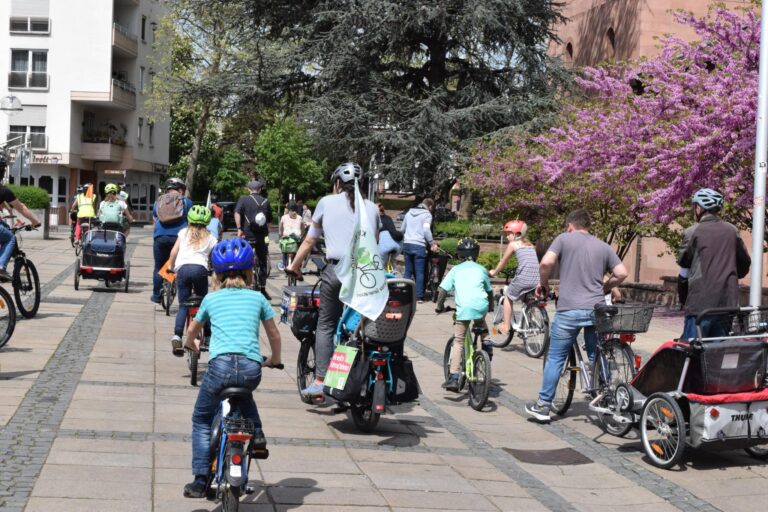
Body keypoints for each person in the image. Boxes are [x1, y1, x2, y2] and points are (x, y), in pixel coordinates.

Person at [182, 238, 281, 498]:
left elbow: (192, 331)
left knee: (201, 419)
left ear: (217, 273)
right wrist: (274, 359)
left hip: (219, 367)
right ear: (250, 272)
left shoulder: (211, 300)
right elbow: (274, 336)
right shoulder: (258, 297)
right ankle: (257, 435)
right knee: (244, 392)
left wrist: (190, 344)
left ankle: (200, 479)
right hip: (251, 367)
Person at [286, 162, 380, 397]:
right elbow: (374, 243)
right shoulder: (372, 208)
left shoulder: (326, 203)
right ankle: (360, 375)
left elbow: (310, 240)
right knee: (360, 328)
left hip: (337, 271)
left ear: (337, 183)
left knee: (326, 324)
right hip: (366, 274)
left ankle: (320, 380)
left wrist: (294, 266)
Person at [525, 209, 628, 422]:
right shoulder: (603, 246)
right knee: (596, 355)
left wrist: (542, 285)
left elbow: (545, 263)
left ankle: (543, 406)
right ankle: (606, 397)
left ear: (570, 226)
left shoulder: (564, 239)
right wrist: (606, 288)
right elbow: (622, 273)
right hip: (596, 309)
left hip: (569, 309)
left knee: (555, 357)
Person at [678, 188, 751, 340]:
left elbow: (684, 264)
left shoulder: (692, 231)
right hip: (727, 303)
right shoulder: (732, 230)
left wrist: (683, 298)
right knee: (718, 355)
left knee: (693, 353)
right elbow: (745, 262)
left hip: (700, 304)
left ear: (699, 208)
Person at [435, 238, 494, 391]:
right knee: (480, 320)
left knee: (459, 341)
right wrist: (491, 307)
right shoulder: (481, 269)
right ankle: (487, 343)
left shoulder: (455, 270)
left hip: (464, 309)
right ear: (477, 254)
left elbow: (442, 290)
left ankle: (454, 377)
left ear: (459, 255)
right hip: (481, 306)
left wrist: (439, 307)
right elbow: (489, 291)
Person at [168, 205, 218, 355]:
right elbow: (215, 256)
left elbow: (173, 252)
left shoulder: (183, 233)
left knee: (183, 304)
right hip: (200, 270)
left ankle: (177, 335)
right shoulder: (210, 237)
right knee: (205, 305)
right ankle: (208, 336)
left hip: (182, 269)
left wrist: (171, 267)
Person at [489, 220, 540, 335]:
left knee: (508, 296)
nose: (507, 237)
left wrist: (494, 271)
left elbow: (503, 261)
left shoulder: (513, 245)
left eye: (508, 234)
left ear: (517, 234)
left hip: (524, 278)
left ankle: (506, 325)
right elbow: (529, 263)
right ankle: (531, 321)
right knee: (527, 298)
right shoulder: (531, 245)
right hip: (536, 278)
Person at [151, 178, 193, 304]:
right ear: (180, 189)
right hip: (179, 238)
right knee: (179, 265)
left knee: (159, 266)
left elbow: (155, 218)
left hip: (160, 236)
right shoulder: (187, 202)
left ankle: (157, 295)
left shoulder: (158, 201)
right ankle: (181, 294)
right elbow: (192, 220)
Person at [234, 180, 273, 300]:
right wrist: (268, 232)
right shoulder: (266, 201)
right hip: (261, 236)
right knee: (262, 262)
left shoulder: (243, 199)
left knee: (243, 259)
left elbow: (237, 213)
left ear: (249, 189)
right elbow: (269, 221)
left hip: (247, 234)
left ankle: (243, 285)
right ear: (260, 189)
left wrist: (239, 228)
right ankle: (262, 288)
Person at [0, 182, 41, 281]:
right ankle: (1, 267)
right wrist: (35, 221)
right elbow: (21, 207)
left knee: (5, 227)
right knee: (11, 238)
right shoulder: (3, 190)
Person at [400, 198, 438, 302]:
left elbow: (402, 229)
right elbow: (426, 230)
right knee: (419, 272)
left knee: (408, 270)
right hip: (419, 245)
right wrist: (431, 242)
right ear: (430, 206)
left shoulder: (409, 213)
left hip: (407, 244)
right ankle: (419, 296)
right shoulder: (427, 214)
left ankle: (404, 294)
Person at [278, 201, 303, 270]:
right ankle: (298, 264)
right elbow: (302, 228)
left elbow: (280, 227)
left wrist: (280, 233)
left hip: (286, 237)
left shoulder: (284, 217)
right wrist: (302, 234)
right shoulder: (300, 217)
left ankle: (284, 263)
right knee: (298, 250)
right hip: (296, 238)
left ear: (288, 209)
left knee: (284, 249)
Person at [378, 203, 403, 269]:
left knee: (381, 266)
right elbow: (393, 231)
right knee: (391, 264)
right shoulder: (388, 218)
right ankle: (392, 274)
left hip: (383, 246)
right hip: (396, 245)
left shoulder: (376, 219)